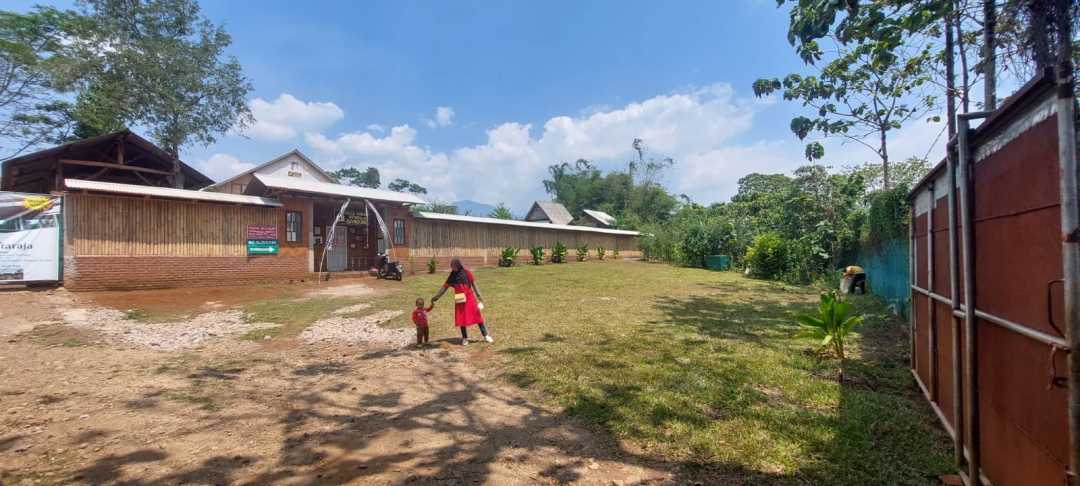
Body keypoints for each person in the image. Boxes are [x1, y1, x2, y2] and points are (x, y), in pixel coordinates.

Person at [431, 257, 493, 345]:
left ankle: (486, 335)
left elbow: (474, 285)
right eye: (451, 266)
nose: (452, 268)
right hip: (459, 297)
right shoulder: (452, 276)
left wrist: (480, 297)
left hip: (469, 297)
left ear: (458, 265)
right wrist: (436, 297)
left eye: (453, 266)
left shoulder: (467, 273)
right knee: (461, 318)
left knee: (477, 316)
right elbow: (444, 287)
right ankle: (465, 338)